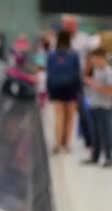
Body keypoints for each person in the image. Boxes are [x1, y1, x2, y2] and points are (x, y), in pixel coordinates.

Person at [62, 14, 101, 148]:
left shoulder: (84, 39)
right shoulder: (62, 39)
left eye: (70, 25)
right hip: (65, 81)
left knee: (85, 111)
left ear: (75, 25)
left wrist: (85, 74)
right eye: (65, 25)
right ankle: (69, 141)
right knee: (70, 113)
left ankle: (92, 140)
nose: (67, 27)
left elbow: (91, 57)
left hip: (81, 80)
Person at [47, 30, 82, 153]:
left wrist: (49, 91)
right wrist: (80, 92)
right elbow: (78, 75)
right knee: (70, 118)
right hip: (71, 88)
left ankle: (57, 143)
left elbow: (49, 74)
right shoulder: (74, 55)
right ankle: (66, 144)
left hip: (56, 88)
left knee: (59, 117)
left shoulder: (51, 55)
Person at [83, 48, 112, 167]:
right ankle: (95, 157)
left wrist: (95, 85)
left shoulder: (108, 72)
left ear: (101, 58)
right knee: (95, 132)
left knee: (106, 132)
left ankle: (109, 157)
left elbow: (110, 89)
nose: (93, 61)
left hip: (104, 106)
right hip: (94, 105)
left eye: (95, 59)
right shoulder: (95, 70)